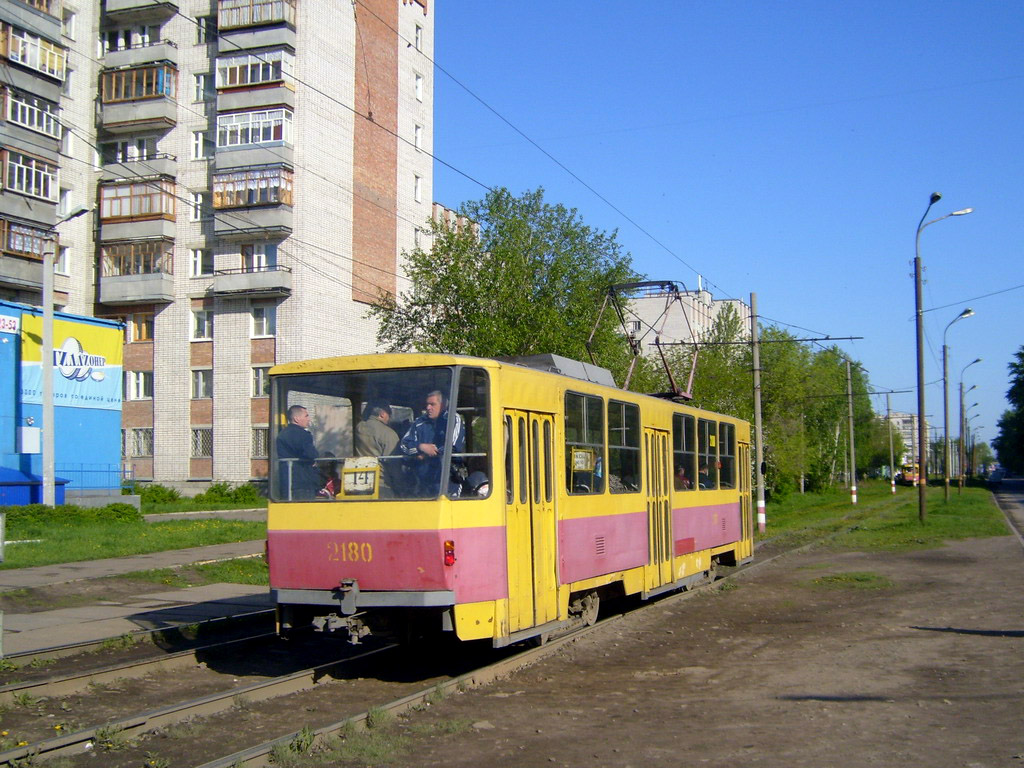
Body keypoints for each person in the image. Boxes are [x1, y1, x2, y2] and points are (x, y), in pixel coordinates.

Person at [399, 389, 465, 496]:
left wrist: (430, 453)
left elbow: (453, 446)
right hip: (423, 484)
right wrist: (420, 447)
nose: (428, 408)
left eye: (432, 404)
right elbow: (404, 445)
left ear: (442, 405)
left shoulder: (453, 419)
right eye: (427, 404)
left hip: (449, 481)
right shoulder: (419, 422)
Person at [276, 404, 320, 499]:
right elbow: (312, 454)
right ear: (296, 419)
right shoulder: (302, 435)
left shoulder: (282, 434)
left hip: (286, 481)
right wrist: (314, 459)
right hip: (302, 482)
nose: (309, 419)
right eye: (306, 416)